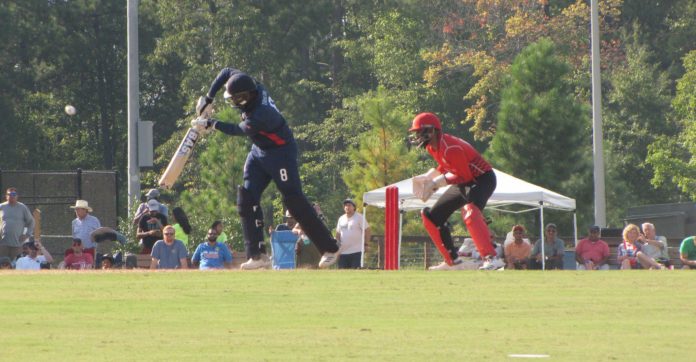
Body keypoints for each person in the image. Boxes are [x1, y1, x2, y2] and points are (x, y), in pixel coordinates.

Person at [192, 68, 340, 269]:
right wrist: (209, 98)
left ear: (246, 98)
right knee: (246, 198)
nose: (234, 103)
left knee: (293, 200)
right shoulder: (252, 85)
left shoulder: (261, 114)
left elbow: (239, 130)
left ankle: (330, 248)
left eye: (236, 100)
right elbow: (227, 72)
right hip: (259, 151)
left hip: (281, 154)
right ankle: (257, 255)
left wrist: (212, 123)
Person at [408, 112, 503, 271]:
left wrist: (436, 183)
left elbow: (464, 176)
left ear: (433, 130)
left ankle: (492, 258)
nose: (418, 135)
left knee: (470, 212)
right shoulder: (432, 147)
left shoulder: (450, 147)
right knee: (432, 217)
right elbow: (447, 166)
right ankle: (452, 261)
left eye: (420, 131)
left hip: (482, 179)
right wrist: (429, 177)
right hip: (465, 180)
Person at [0, 187, 35, 261]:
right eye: (9, 194)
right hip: (3, 244)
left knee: (15, 265)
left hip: (17, 244)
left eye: (13, 194)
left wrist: (27, 235)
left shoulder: (22, 207)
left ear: (17, 196)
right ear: (6, 196)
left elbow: (31, 222)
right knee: (2, 266)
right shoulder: (1, 207)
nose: (11, 196)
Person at [335, 199, 371, 269]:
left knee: (355, 272)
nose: (347, 207)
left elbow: (367, 230)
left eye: (349, 205)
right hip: (343, 252)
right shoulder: (341, 218)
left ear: (354, 207)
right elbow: (338, 234)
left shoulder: (359, 217)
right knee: (342, 273)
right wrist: (337, 248)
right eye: (345, 205)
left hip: (357, 251)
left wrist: (366, 244)